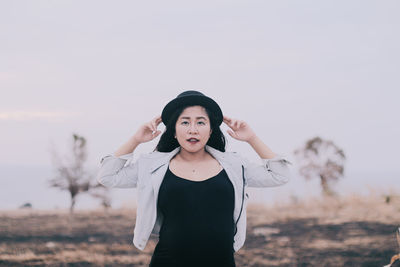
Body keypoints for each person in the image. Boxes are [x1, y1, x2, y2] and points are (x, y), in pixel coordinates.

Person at [97, 90, 292, 267]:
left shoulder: (233, 165)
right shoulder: (152, 166)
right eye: (184, 122)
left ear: (211, 129)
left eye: (200, 122)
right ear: (173, 130)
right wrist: (135, 140)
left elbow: (279, 176)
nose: (193, 129)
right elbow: (107, 176)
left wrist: (252, 138)